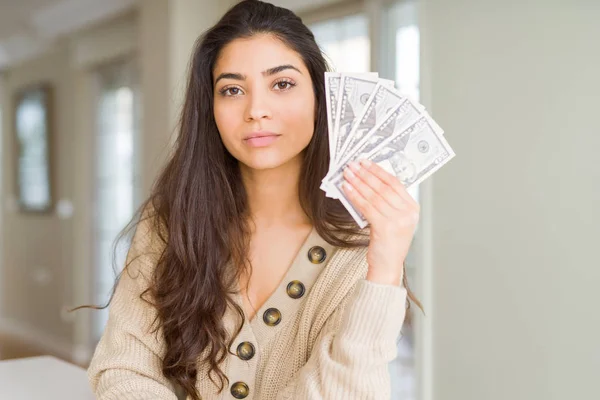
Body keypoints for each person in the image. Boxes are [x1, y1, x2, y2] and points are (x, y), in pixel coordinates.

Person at [86, 1, 422, 399]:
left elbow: (346, 390)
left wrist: (386, 266)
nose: (256, 110)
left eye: (282, 84)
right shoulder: (171, 222)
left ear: (320, 96)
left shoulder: (360, 248)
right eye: (232, 89)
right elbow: (122, 369)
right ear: (210, 109)